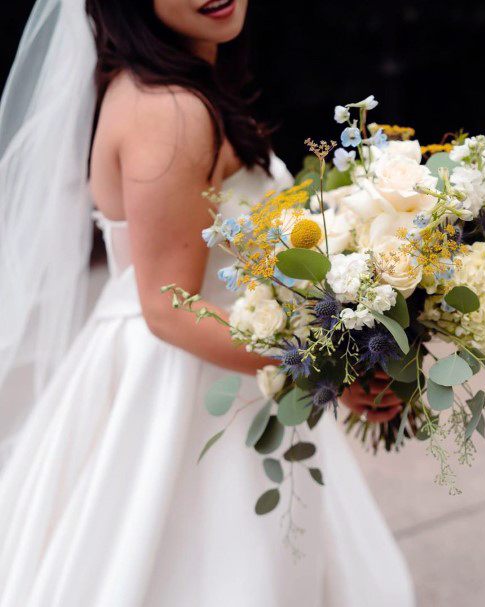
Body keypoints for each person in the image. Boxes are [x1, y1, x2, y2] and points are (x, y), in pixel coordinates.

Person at [0, 0, 415, 604]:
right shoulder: (170, 110)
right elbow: (168, 305)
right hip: (186, 386)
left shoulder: (166, 85)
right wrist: (334, 366)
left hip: (223, 360)